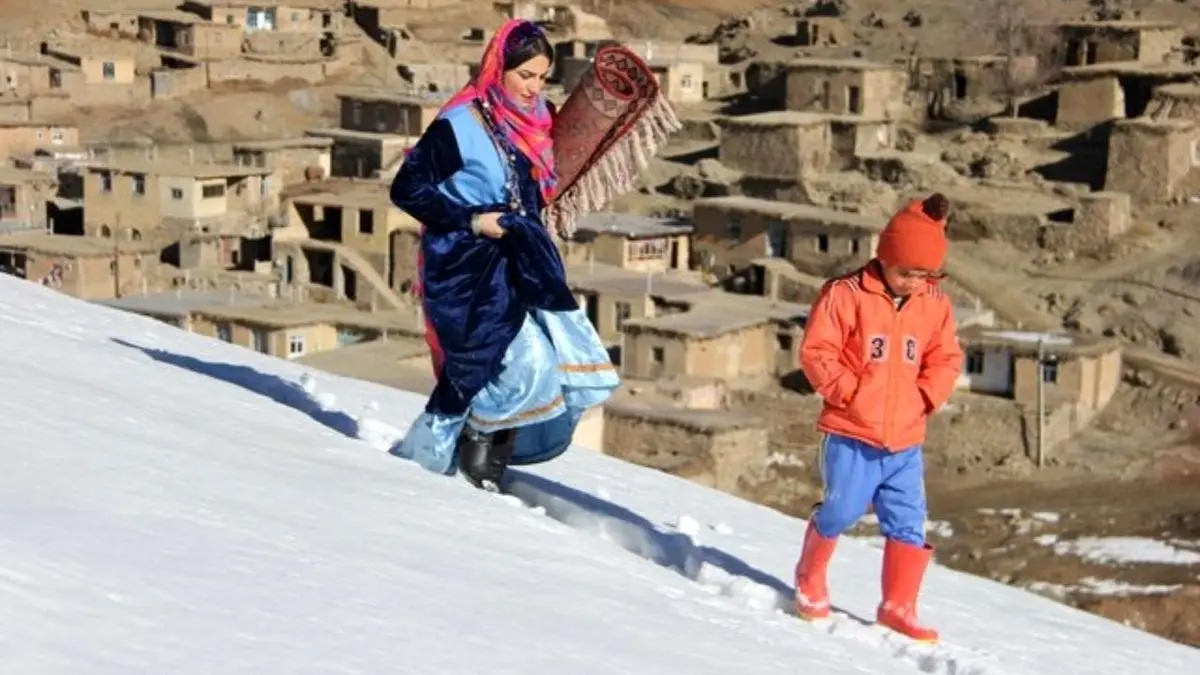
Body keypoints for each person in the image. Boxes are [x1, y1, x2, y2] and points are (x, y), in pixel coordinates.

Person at [389, 19, 619, 490]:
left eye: (541, 77)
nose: (534, 88)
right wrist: (473, 220)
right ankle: (458, 464)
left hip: (520, 259)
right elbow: (407, 188)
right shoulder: (459, 125)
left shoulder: (538, 120)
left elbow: (538, 186)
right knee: (505, 361)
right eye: (525, 76)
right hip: (464, 264)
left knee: (538, 360)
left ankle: (481, 466)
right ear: (499, 69)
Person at [792, 193, 963, 643]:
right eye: (907, 271)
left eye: (924, 274)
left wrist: (924, 397)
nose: (913, 282)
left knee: (908, 522)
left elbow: (945, 357)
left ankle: (898, 607)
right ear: (884, 257)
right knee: (841, 510)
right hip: (851, 434)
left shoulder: (934, 303)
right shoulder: (844, 295)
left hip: (905, 441)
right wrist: (850, 393)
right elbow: (817, 352)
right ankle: (810, 579)